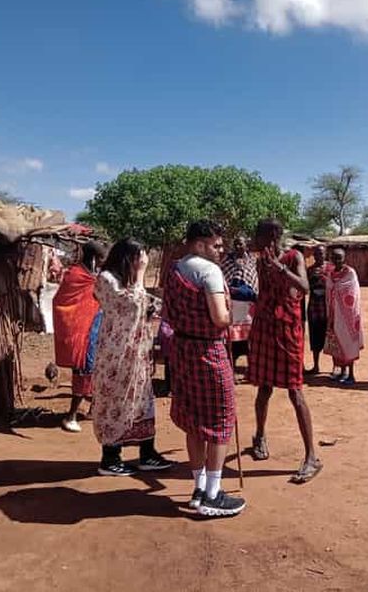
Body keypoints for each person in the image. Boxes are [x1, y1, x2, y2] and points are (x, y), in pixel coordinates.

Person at [164, 220, 245, 517]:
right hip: (209, 351)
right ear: (200, 244)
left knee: (193, 419)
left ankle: (198, 488)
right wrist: (236, 313)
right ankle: (213, 494)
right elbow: (220, 318)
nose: (221, 250)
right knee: (222, 419)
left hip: (182, 351)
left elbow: (169, 312)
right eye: (217, 245)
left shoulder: (175, 269)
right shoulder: (209, 271)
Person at [92, 238, 175, 476]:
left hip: (137, 354)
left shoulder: (124, 282)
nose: (141, 263)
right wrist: (141, 275)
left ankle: (147, 453)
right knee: (115, 400)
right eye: (139, 259)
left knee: (142, 401)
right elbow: (131, 304)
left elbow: (141, 306)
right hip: (116, 356)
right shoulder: (106, 279)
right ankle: (110, 458)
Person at [248, 218, 322, 484]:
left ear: (271, 238)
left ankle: (311, 456)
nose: (253, 240)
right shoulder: (260, 260)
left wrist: (281, 269)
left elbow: (303, 288)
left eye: (257, 236)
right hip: (265, 328)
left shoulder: (294, 257)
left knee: (295, 391)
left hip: (289, 330)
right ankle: (259, 436)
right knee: (264, 388)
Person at [52, 241, 106, 433]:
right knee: (84, 371)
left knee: (97, 371)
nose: (102, 263)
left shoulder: (90, 277)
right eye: (100, 259)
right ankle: (71, 416)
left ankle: (93, 410)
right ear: (92, 258)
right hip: (82, 334)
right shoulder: (77, 276)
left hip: (94, 331)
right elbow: (63, 303)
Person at [324, 248, 364, 385]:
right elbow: (329, 290)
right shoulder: (331, 273)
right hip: (334, 313)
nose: (336, 260)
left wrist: (336, 290)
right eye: (334, 258)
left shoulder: (350, 273)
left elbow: (353, 293)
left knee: (348, 343)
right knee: (337, 344)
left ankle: (351, 375)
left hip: (348, 316)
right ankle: (342, 372)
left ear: (344, 258)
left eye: (339, 258)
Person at [221, 236, 258, 367]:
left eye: (240, 244)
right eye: (235, 244)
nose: (238, 247)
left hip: (248, 307)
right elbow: (223, 278)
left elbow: (254, 279)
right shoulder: (227, 261)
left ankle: (251, 368)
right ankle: (232, 367)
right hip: (232, 305)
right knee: (233, 337)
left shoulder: (252, 261)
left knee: (249, 337)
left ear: (246, 245)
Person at [305, 245, 331, 375]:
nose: (318, 256)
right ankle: (316, 366)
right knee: (315, 337)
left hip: (328, 308)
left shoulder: (331, 268)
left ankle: (335, 367)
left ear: (325, 254)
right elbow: (304, 287)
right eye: (316, 254)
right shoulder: (309, 270)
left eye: (321, 253)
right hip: (314, 308)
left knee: (331, 337)